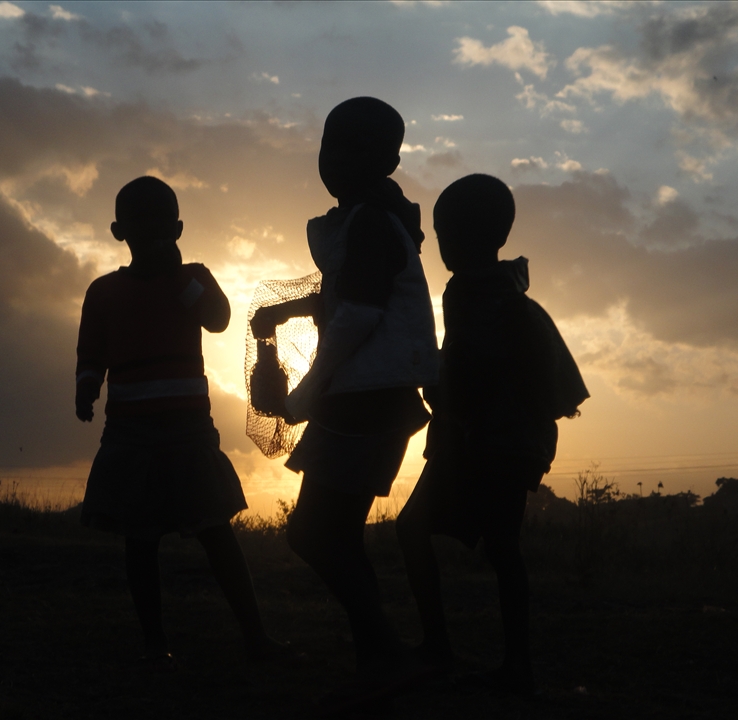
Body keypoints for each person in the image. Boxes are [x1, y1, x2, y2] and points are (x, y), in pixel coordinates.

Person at [255, 97, 439, 707]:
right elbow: (350, 293)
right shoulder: (367, 220)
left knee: (316, 534)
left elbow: (358, 313)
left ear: (386, 160)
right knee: (331, 533)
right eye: (328, 146)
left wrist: (309, 392)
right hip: (368, 399)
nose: (333, 160)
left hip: (367, 401)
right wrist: (291, 309)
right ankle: (379, 656)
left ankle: (385, 653)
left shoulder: (366, 222)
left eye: (350, 148)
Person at [75, 176, 280, 670]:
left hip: (188, 431)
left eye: (160, 223)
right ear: (118, 230)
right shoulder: (102, 291)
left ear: (178, 228)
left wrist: (180, 278)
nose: (150, 231)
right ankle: (154, 644)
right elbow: (91, 349)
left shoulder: (195, 279)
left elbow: (218, 320)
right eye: (139, 222)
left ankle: (256, 638)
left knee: (214, 532)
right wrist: (86, 384)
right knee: (140, 539)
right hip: (130, 433)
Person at [395, 174, 589, 697]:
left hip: (489, 442)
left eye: (450, 235)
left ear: (488, 237)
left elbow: (475, 370)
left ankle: (465, 654)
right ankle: (494, 659)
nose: (445, 246)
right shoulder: (489, 289)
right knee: (494, 548)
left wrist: (431, 382)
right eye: (440, 235)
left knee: (455, 539)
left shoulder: (479, 295)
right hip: (488, 441)